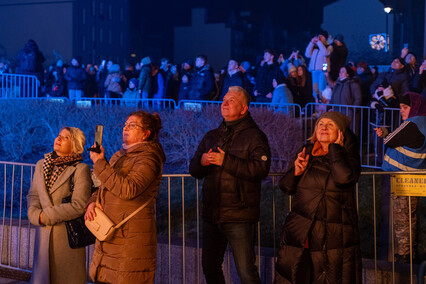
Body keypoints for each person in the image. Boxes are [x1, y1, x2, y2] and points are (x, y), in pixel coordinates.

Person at [189, 86, 271, 284]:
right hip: (212, 213)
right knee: (210, 268)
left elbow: (260, 170)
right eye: (224, 99)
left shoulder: (255, 136)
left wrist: (225, 161)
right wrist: (202, 161)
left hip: (239, 215)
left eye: (231, 100)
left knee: (246, 272)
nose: (224, 103)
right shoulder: (212, 135)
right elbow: (193, 169)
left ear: (243, 109)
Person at [275, 111, 362, 284]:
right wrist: (296, 172)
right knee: (298, 276)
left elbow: (344, 179)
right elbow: (285, 187)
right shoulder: (306, 151)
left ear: (340, 133)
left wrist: (334, 149)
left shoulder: (347, 156)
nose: (324, 127)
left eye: (330, 125)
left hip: (332, 237)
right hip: (302, 233)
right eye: (321, 124)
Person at [85, 111, 166, 284]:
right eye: (125, 124)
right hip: (109, 233)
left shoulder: (149, 158)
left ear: (146, 134)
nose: (126, 128)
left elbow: (128, 189)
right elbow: (103, 185)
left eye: (132, 125)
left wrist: (99, 163)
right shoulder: (118, 156)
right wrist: (92, 202)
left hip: (130, 238)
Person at [27, 127, 92, 284]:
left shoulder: (80, 169)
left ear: (75, 145)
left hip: (66, 239)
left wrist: (46, 216)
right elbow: (33, 195)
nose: (59, 139)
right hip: (43, 234)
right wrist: (34, 215)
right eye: (59, 136)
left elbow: (79, 205)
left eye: (66, 138)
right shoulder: (41, 165)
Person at [374, 92, 426, 263]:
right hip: (415, 178)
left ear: (415, 107)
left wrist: (386, 132)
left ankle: (404, 257)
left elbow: (390, 140)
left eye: (405, 107)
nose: (402, 111)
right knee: (410, 216)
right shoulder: (423, 123)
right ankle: (411, 251)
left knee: (401, 217)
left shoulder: (413, 123)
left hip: (401, 178)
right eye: (401, 108)